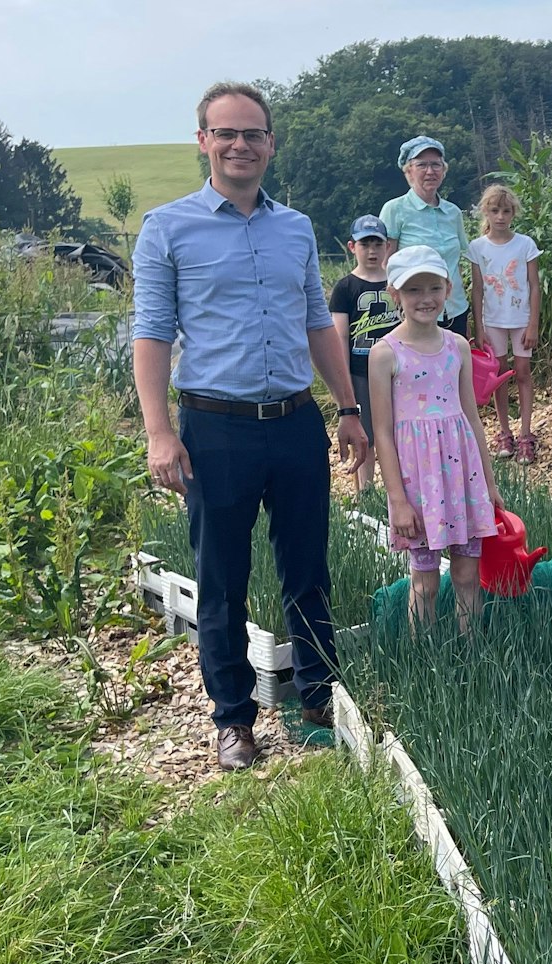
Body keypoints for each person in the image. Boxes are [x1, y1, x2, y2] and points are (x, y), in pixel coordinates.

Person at [131, 81, 370, 771]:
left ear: (270, 143)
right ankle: (233, 716)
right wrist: (158, 431)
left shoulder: (293, 227)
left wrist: (347, 407)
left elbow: (316, 323)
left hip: (294, 421)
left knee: (308, 568)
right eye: (227, 133)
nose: (241, 145)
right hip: (216, 429)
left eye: (254, 134)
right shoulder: (167, 228)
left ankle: (319, 693)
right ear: (202, 141)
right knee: (223, 575)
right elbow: (150, 335)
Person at [369, 246, 503, 633]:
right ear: (395, 294)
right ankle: (423, 658)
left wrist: (489, 483)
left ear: (447, 288)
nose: (425, 299)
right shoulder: (384, 354)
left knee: (466, 573)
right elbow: (382, 430)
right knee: (425, 582)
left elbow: (472, 417)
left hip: (462, 475)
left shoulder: (457, 346)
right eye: (413, 290)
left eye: (433, 288)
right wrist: (397, 500)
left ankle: (471, 653)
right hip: (417, 483)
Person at [466, 184, 543, 464]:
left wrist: (533, 323)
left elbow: (534, 286)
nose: (500, 216)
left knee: (522, 371)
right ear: (486, 211)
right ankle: (504, 431)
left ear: (513, 213)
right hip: (492, 320)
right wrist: (478, 327)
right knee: (497, 374)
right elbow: (477, 289)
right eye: (495, 210)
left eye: (506, 211)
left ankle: (525, 433)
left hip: (520, 318)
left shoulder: (525, 244)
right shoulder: (477, 247)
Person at [379, 136, 472, 337]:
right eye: (422, 165)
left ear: (444, 170)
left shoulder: (453, 212)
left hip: (456, 310)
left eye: (436, 165)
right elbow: (385, 265)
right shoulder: (395, 209)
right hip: (417, 313)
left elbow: (460, 261)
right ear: (409, 171)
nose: (430, 171)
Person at [329, 215, 396, 491]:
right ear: (351, 247)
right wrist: (344, 381)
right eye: (364, 244)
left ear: (387, 247)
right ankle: (365, 492)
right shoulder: (345, 288)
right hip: (360, 372)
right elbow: (340, 336)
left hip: (395, 370)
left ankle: (399, 490)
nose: (371, 251)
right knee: (365, 434)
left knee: (396, 432)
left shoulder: (397, 282)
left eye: (377, 244)